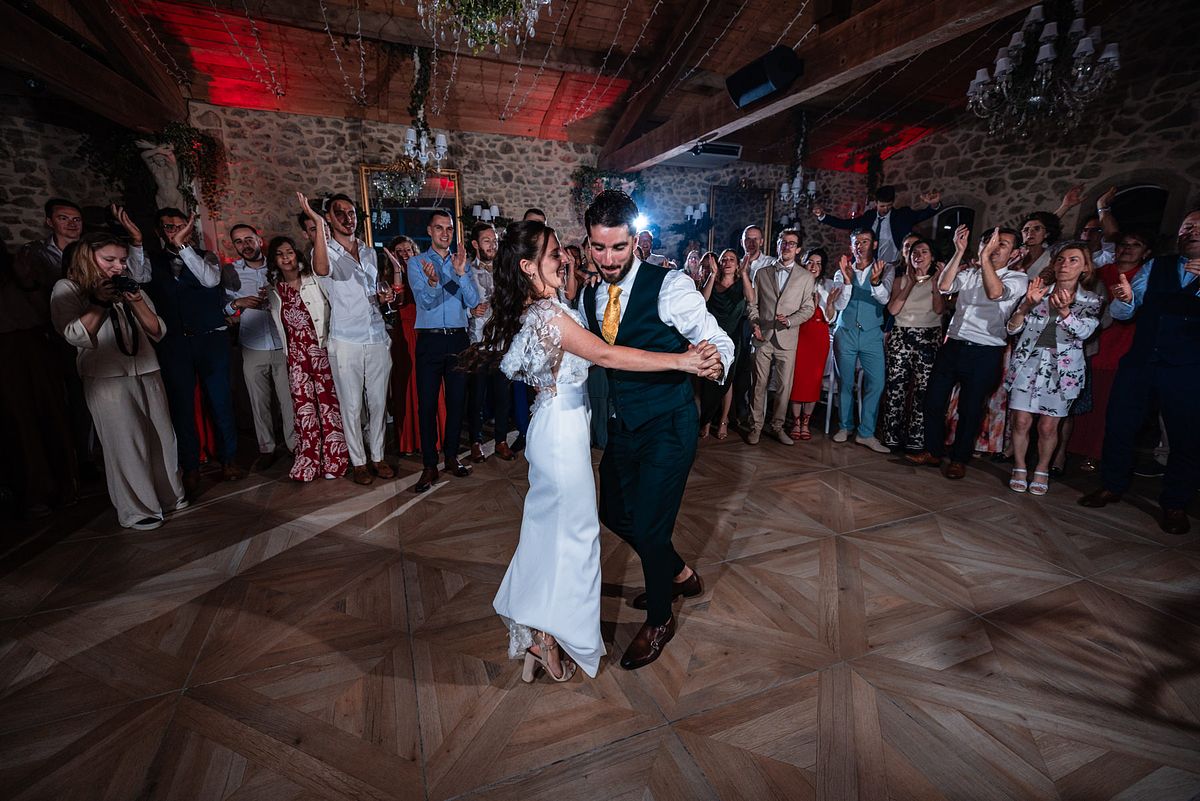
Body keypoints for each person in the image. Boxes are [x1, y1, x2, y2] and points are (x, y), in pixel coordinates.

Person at [463, 219, 718, 681]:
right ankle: (549, 635)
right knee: (575, 538)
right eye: (554, 253)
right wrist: (683, 360)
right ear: (528, 267)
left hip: (558, 426)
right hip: (561, 434)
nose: (565, 258)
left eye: (563, 251)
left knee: (552, 532)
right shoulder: (550, 315)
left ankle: (543, 631)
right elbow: (604, 355)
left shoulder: (547, 306)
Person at [580, 190, 734, 670]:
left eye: (618, 247)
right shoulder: (588, 295)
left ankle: (661, 618)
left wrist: (714, 361)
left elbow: (716, 338)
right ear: (588, 244)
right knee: (612, 511)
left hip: (668, 424)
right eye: (599, 247)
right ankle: (680, 573)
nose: (608, 259)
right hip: (623, 425)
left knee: (650, 525)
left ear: (635, 241)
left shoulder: (670, 287)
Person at [50, 233, 185, 529]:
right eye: (109, 260)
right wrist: (99, 301)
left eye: (122, 260)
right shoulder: (69, 288)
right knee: (125, 443)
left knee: (163, 437)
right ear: (88, 257)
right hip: (106, 376)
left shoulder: (127, 284)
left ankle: (169, 495)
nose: (119, 266)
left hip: (146, 368)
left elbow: (157, 331)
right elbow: (74, 334)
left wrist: (136, 301)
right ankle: (137, 509)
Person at [1080, 210, 1200, 535]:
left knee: (1186, 437)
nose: (1192, 232)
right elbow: (1124, 313)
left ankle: (1175, 503)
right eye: (1187, 226)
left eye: (1199, 227)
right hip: (1141, 362)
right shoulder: (1156, 266)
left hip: (1188, 369)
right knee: (1120, 424)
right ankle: (1112, 485)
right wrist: (1126, 299)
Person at [131, 208, 245, 495]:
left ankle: (229, 459)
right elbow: (137, 277)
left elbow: (209, 281)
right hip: (174, 343)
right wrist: (136, 243)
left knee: (220, 401)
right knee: (181, 406)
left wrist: (184, 248)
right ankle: (191, 466)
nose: (175, 231)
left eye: (181, 226)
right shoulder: (150, 261)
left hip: (211, 339)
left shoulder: (207, 257)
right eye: (169, 227)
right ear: (158, 232)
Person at [908, 225, 1027, 479]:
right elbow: (944, 286)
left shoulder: (1017, 279)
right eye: (989, 242)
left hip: (985, 351)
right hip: (953, 345)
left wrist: (984, 258)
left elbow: (995, 293)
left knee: (970, 409)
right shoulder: (970, 273)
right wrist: (959, 251)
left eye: (1001, 244)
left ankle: (959, 459)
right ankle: (933, 451)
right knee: (933, 401)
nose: (993, 247)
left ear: (1015, 253)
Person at [303, 193, 394, 486]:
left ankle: (378, 456)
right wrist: (318, 223)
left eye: (351, 212)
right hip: (346, 340)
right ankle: (359, 462)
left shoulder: (368, 252)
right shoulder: (324, 252)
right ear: (329, 218)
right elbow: (321, 270)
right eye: (339, 213)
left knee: (378, 403)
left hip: (376, 335)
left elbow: (372, 292)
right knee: (352, 406)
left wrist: (382, 298)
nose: (347, 218)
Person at [1004, 243, 1102, 495]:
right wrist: (1025, 306)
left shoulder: (1091, 300)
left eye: (1073, 260)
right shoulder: (1038, 292)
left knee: (1048, 426)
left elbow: (1085, 332)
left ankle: (1042, 468)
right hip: (1028, 363)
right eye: (1060, 259)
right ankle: (1019, 466)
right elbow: (1012, 328)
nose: (1065, 264)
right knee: (1020, 421)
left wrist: (1066, 312)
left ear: (1085, 268)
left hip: (1062, 370)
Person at [265, 235, 349, 483]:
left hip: (320, 351)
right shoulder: (274, 290)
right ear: (274, 261)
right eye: (280, 254)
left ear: (297, 254)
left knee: (328, 406)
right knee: (304, 410)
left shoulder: (314, 279)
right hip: (296, 358)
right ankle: (309, 461)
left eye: (289, 252)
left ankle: (335, 459)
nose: (286, 258)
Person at [406, 209, 480, 492]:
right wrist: (434, 283)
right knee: (426, 404)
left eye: (449, 228)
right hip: (431, 340)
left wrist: (460, 274)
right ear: (429, 231)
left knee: (457, 402)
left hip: (458, 339)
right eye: (439, 228)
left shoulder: (462, 262)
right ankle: (429, 465)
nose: (445, 233)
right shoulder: (417, 263)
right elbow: (425, 303)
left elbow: (472, 301)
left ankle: (451, 456)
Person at [1068, 231, 1152, 469]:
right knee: (1081, 401)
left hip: (1123, 347)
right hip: (1089, 344)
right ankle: (1070, 449)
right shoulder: (1100, 272)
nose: (1128, 248)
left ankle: (1094, 453)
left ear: (1146, 253)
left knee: (1106, 404)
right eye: (1124, 244)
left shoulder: (1145, 276)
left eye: (1136, 244)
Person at [224, 223, 294, 468]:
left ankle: (295, 446)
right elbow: (223, 308)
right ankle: (267, 449)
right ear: (234, 246)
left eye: (248, 239)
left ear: (259, 240)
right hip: (252, 344)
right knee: (259, 401)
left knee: (289, 400)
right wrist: (237, 304)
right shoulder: (230, 272)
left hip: (283, 343)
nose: (245, 245)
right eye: (238, 241)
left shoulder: (277, 265)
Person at [746, 228, 816, 445]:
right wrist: (754, 323)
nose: (787, 247)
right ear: (777, 245)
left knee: (784, 387)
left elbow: (808, 308)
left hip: (788, 337)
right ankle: (755, 427)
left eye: (791, 244)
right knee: (759, 384)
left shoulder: (806, 277)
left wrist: (791, 320)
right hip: (762, 336)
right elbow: (752, 304)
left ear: (798, 249)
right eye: (783, 242)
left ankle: (777, 426)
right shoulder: (762, 273)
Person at [830, 228, 893, 453]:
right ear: (851, 246)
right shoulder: (842, 271)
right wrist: (847, 281)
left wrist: (875, 282)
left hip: (872, 334)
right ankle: (845, 426)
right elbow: (839, 305)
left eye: (865, 241)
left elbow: (885, 300)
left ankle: (866, 433)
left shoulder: (886, 269)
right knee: (845, 382)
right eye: (856, 242)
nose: (860, 246)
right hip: (845, 332)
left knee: (877, 382)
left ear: (874, 245)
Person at [880, 238, 945, 452]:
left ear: (932, 257)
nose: (918, 255)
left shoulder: (941, 280)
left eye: (924, 251)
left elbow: (939, 309)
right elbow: (893, 310)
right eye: (914, 252)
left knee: (923, 389)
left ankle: (916, 437)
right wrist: (910, 283)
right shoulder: (900, 280)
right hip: (901, 334)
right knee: (895, 386)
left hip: (929, 336)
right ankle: (891, 434)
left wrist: (935, 284)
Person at [381, 235, 444, 457]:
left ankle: (436, 437)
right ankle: (410, 438)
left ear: (415, 251)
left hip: (426, 329)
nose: (404, 254)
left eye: (408, 250)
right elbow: (397, 302)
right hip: (406, 333)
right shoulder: (390, 276)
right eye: (399, 251)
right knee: (408, 384)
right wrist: (398, 270)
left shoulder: (426, 271)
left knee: (432, 382)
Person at [465, 221, 516, 461]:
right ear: (476, 244)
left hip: (503, 341)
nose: (492, 245)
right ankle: (475, 441)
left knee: (503, 396)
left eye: (494, 240)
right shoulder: (466, 270)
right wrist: (469, 311)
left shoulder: (505, 269)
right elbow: (456, 301)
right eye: (487, 241)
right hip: (478, 342)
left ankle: (501, 440)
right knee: (477, 396)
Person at [813, 185, 943, 268]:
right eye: (882, 206)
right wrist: (823, 216)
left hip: (893, 266)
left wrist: (934, 205)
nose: (885, 209)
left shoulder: (902, 216)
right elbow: (846, 224)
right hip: (868, 266)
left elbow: (924, 214)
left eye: (889, 205)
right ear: (876, 203)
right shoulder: (869, 217)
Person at [698, 248, 753, 440]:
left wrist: (744, 274)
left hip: (733, 338)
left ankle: (723, 420)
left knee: (727, 379)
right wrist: (712, 275)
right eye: (724, 259)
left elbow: (752, 299)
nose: (728, 262)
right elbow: (703, 299)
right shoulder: (713, 280)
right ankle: (706, 420)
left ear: (737, 265)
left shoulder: (741, 283)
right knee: (709, 377)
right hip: (713, 335)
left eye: (732, 259)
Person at [788, 248, 841, 441]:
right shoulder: (795, 283)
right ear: (803, 263)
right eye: (810, 262)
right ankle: (795, 422)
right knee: (797, 380)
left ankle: (806, 422)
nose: (814, 266)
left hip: (819, 336)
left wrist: (828, 304)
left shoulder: (828, 285)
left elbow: (831, 318)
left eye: (818, 263)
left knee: (813, 381)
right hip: (799, 333)